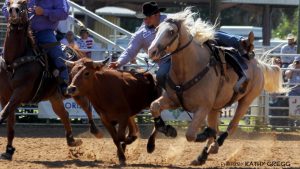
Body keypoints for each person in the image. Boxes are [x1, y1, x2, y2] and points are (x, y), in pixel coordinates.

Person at [109, 1, 253, 91]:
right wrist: (119, 62)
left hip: (187, 52)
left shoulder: (172, 20)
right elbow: (130, 51)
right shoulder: (141, 34)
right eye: (144, 18)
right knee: (160, 75)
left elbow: (190, 27)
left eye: (148, 17)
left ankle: (241, 43)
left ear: (156, 14)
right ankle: (176, 96)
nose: (145, 20)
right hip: (167, 61)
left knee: (212, 33)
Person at [2, 0, 70, 96]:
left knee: (57, 53)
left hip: (44, 32)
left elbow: (64, 13)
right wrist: (12, 13)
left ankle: (64, 84)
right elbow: (5, 6)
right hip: (21, 31)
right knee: (5, 55)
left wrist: (44, 12)